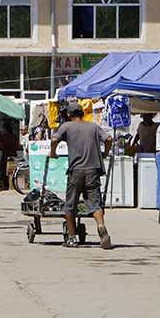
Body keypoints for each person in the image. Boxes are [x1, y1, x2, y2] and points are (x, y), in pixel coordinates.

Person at [50, 102, 113, 249]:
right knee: (95, 203)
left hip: (76, 170)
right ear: (82, 113)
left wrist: (53, 153)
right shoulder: (94, 127)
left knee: (70, 205)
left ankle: (72, 238)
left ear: (70, 115)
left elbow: (54, 140)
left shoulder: (66, 126)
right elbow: (109, 139)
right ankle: (101, 226)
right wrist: (105, 153)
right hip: (93, 170)